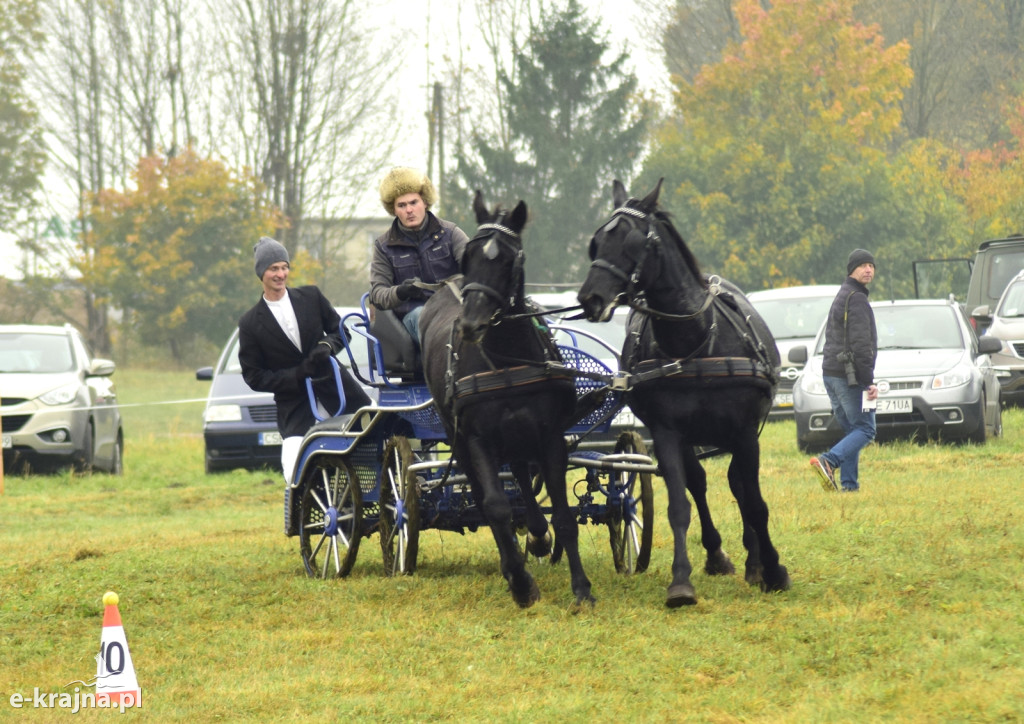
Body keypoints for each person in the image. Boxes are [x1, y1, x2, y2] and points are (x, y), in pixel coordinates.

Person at [238, 236, 370, 486]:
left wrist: (326, 346)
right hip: (295, 408)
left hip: (340, 393)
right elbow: (254, 376)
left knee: (373, 446)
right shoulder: (250, 323)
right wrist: (296, 375)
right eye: (273, 268)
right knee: (294, 472)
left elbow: (341, 331)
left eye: (284, 267)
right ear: (261, 273)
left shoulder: (311, 297)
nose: (280, 274)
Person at [368, 167, 470, 346]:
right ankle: (445, 368)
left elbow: (475, 269)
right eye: (402, 205)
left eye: (413, 202)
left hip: (455, 309)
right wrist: (400, 292)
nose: (409, 210)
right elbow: (377, 294)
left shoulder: (452, 234)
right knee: (422, 315)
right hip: (413, 317)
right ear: (394, 210)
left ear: (425, 202)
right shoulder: (384, 246)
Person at [810, 249, 879, 493]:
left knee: (852, 430)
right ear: (852, 270)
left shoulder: (843, 294)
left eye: (871, 265)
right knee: (866, 429)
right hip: (847, 377)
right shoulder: (857, 298)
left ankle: (850, 486)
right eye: (862, 266)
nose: (868, 269)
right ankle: (828, 461)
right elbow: (861, 344)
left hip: (831, 373)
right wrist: (868, 381)